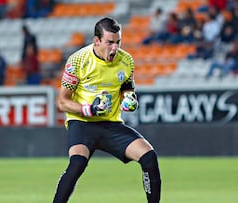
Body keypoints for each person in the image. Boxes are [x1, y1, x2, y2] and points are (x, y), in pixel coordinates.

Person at [52, 17, 161, 203]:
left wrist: (129, 99)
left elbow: (127, 89)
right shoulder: (78, 60)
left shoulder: (126, 61)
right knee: (77, 163)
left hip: (111, 124)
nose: (115, 48)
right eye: (110, 42)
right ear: (97, 41)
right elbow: (62, 102)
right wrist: (89, 109)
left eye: (118, 42)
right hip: (82, 122)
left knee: (149, 157)